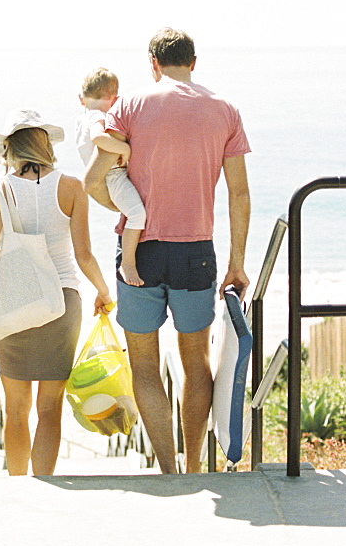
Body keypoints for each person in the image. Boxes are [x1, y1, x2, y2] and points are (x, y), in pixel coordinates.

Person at [84, 28, 251, 474]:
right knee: (195, 361)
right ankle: (193, 463)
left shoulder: (132, 105)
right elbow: (239, 193)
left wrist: (123, 209)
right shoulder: (225, 110)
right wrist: (237, 263)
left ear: (152, 63)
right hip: (196, 250)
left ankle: (168, 470)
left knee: (144, 363)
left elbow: (94, 179)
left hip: (139, 250)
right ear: (194, 62)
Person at [0, 109, 112, 476]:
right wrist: (104, 291)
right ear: (46, 145)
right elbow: (84, 255)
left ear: (9, 150)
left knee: (15, 409)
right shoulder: (72, 187)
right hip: (61, 303)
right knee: (48, 409)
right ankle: (45, 483)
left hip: (12, 302)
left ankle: (17, 485)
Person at [75, 67, 146, 286]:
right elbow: (98, 137)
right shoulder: (99, 116)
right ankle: (128, 263)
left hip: (109, 176)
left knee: (132, 212)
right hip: (113, 175)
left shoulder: (83, 117)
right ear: (114, 98)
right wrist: (124, 150)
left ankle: (127, 260)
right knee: (137, 215)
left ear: (81, 99)